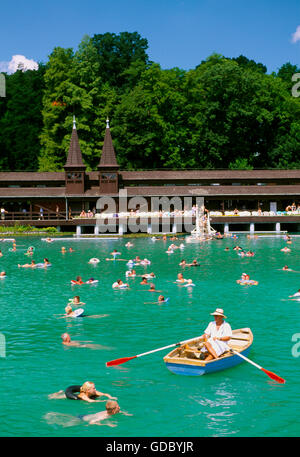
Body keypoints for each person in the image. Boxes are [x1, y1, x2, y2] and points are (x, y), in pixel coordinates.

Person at [49, 382, 116, 402]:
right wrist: (104, 401)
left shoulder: (94, 392)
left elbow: (105, 394)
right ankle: (57, 393)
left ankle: (60, 392)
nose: (95, 389)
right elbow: (91, 401)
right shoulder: (83, 396)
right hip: (74, 396)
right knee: (52, 397)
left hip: (79, 394)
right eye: (93, 388)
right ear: (88, 390)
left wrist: (110, 397)